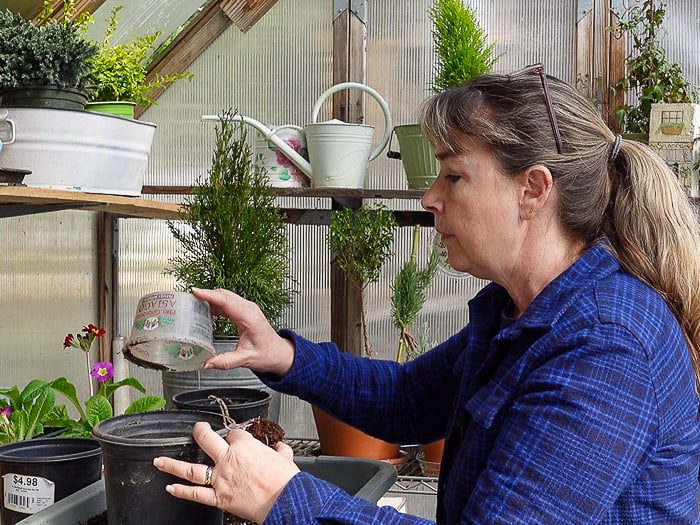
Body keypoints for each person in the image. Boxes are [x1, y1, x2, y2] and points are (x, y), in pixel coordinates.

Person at [153, 64, 700, 524]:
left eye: (454, 176)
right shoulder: (526, 312)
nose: (430, 196)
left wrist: (284, 497)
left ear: (532, 190)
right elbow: (408, 398)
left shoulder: (605, 344)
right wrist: (283, 354)